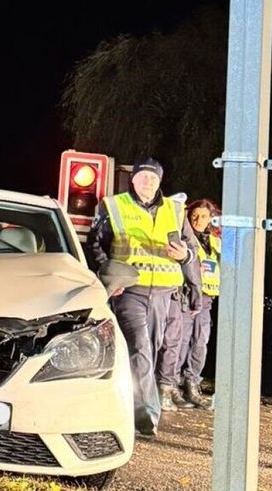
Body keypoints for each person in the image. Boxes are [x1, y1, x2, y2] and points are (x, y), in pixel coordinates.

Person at [86, 157, 200, 437]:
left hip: (164, 295)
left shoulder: (175, 210)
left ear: (160, 182)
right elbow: (96, 245)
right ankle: (146, 415)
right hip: (130, 292)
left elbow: (193, 250)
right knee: (140, 350)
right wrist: (112, 276)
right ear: (133, 179)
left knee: (151, 349)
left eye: (153, 177)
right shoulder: (114, 205)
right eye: (143, 176)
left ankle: (127, 406)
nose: (148, 181)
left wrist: (184, 255)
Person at [176, 199, 220, 408]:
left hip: (206, 298)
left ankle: (192, 383)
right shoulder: (183, 237)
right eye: (194, 215)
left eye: (203, 216)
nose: (198, 219)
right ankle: (173, 384)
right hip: (185, 295)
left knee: (200, 342)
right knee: (181, 341)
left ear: (211, 218)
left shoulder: (216, 241)